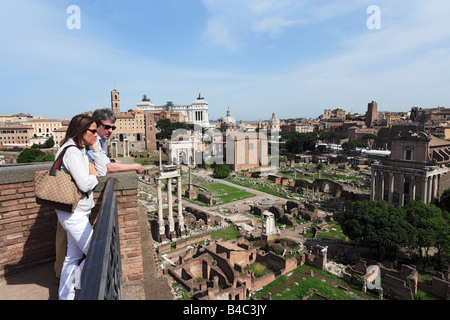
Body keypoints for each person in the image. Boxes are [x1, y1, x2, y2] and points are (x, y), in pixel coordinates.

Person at [55, 114, 106, 300]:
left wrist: (95, 148)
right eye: (93, 131)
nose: (97, 135)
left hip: (76, 212)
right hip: (73, 214)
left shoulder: (80, 149)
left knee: (72, 258)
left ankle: (66, 296)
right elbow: (85, 184)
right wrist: (92, 175)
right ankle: (78, 288)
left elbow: (101, 171)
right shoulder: (72, 152)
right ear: (80, 130)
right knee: (96, 254)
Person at [90, 108, 145, 174]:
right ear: (96, 125)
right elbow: (107, 167)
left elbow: (100, 159)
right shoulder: (91, 140)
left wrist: (110, 161)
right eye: (107, 127)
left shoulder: (101, 139)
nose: (111, 131)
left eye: (113, 128)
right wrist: (136, 166)